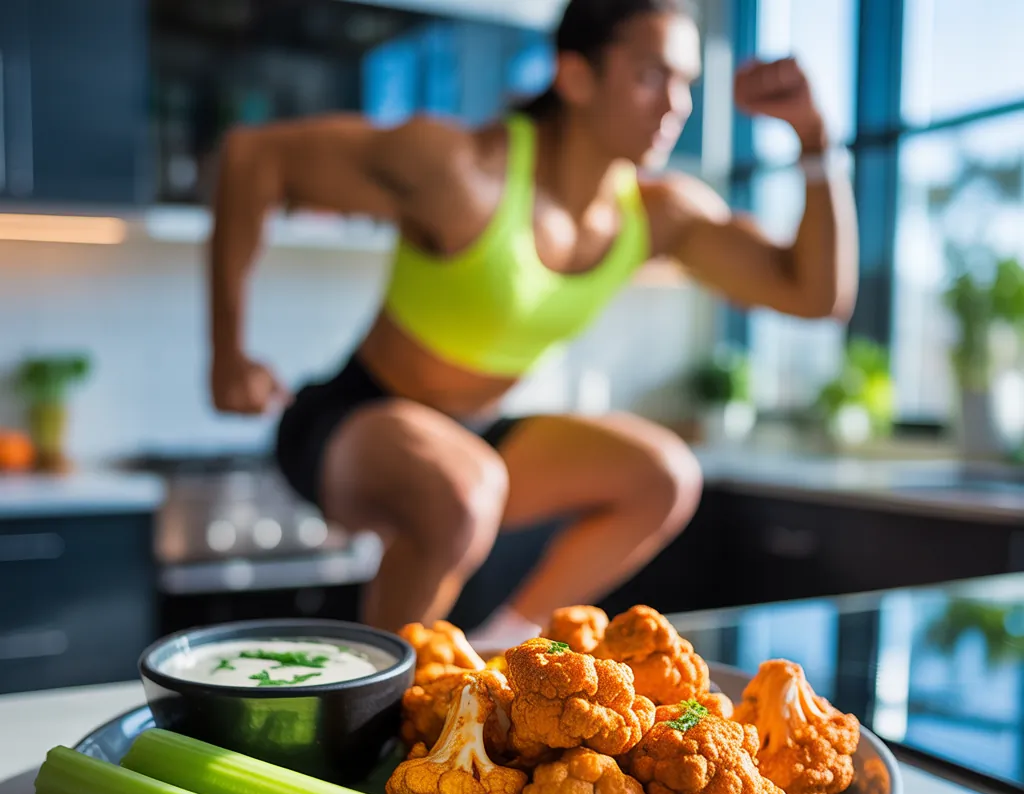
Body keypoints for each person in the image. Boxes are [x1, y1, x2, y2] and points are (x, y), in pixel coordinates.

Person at [208, 0, 858, 648]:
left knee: (664, 476)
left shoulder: (660, 214)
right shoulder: (461, 170)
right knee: (464, 490)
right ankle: (376, 712)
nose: (676, 104)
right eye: (650, 75)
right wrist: (229, 354)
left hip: (479, 436)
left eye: (686, 81)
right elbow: (251, 159)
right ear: (576, 77)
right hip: (350, 418)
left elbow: (815, 295)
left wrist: (815, 140)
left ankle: (504, 651)